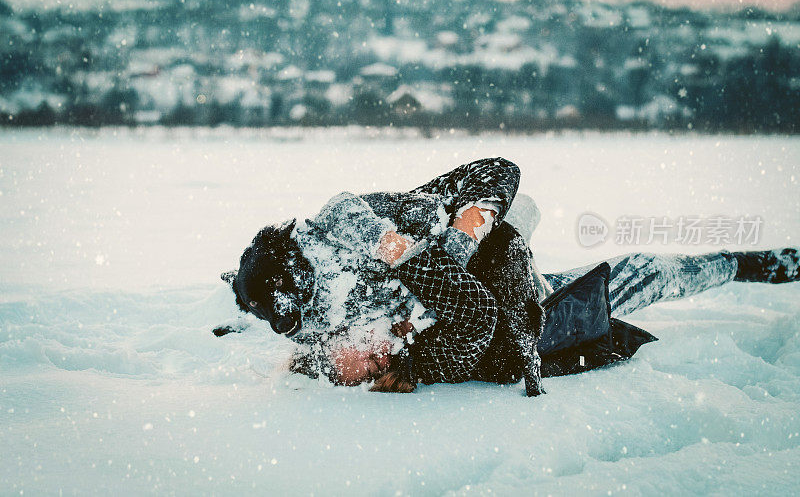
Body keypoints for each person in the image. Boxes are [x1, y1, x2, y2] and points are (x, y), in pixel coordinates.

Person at [222, 158, 800, 395]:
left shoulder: (375, 231)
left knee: (648, 275)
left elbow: (499, 171)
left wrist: (451, 240)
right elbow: (310, 344)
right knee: (628, 283)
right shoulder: (311, 322)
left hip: (522, 294)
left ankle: (746, 263)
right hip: (509, 333)